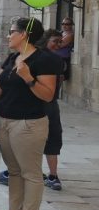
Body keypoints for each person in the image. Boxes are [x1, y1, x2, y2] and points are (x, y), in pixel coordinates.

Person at [0, 18, 60, 210]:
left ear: (24, 34)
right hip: (4, 120)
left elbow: (48, 95)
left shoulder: (44, 59)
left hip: (29, 123)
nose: (9, 36)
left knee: (31, 172)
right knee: (14, 171)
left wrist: (28, 78)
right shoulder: (13, 57)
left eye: (12, 32)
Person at [39, 29, 65, 191]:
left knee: (53, 137)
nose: (58, 44)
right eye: (55, 41)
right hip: (40, 103)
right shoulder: (51, 59)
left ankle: (53, 174)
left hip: (49, 103)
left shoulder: (57, 59)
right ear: (46, 40)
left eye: (59, 42)